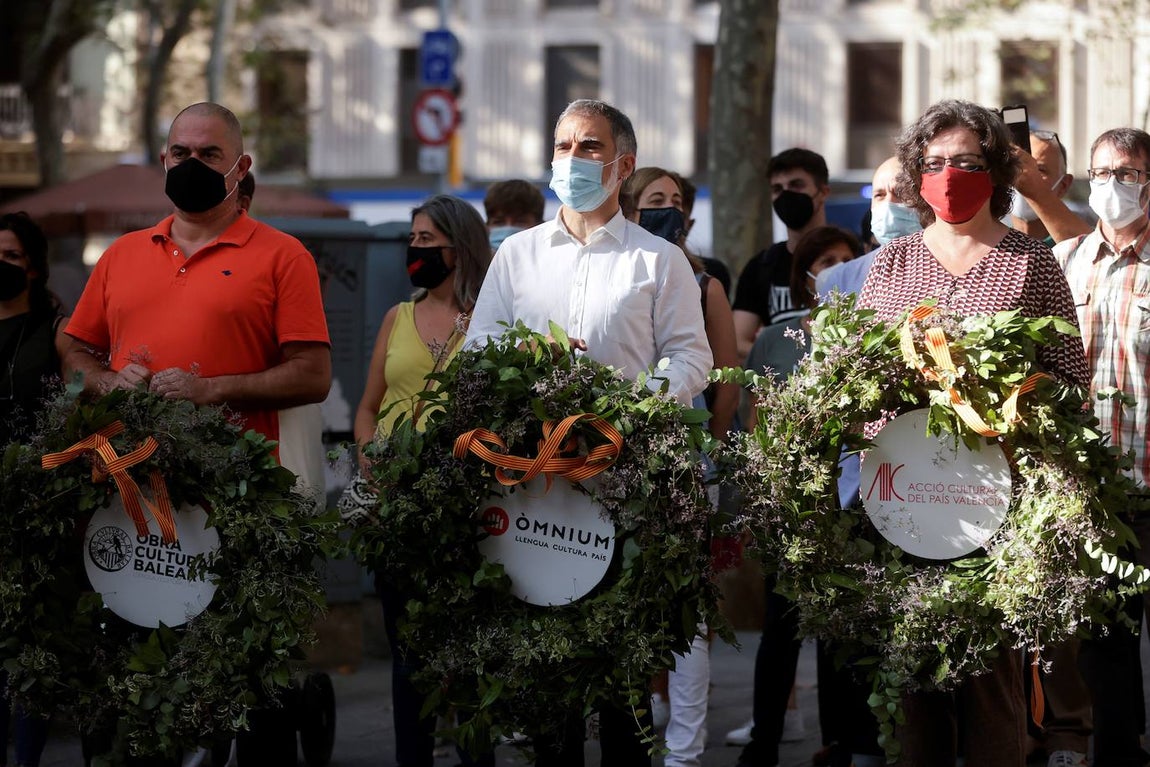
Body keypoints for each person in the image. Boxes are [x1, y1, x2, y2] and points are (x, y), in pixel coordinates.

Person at [466, 98, 712, 766]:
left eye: (590, 147)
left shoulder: (659, 261)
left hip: (627, 484)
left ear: (623, 165)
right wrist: (527, 366)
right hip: (538, 489)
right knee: (550, 679)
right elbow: (476, 352)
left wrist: (625, 403)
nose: (571, 159)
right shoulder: (516, 256)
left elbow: (694, 359)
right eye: (563, 145)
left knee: (622, 677)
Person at [858, 98, 1088, 767]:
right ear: (916, 172)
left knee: (993, 689)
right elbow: (859, 379)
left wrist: (1012, 400)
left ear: (994, 169)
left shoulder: (1031, 262)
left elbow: (1070, 378)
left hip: (1001, 504)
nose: (949, 174)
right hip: (904, 500)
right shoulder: (893, 263)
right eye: (933, 163)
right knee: (915, 690)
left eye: (965, 161)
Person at [60, 102, 331, 447]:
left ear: (240, 168)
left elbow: (314, 376)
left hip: (238, 480)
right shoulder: (119, 254)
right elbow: (74, 358)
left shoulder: (286, 256)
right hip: (126, 477)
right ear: (165, 162)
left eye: (209, 154)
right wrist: (106, 383)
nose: (191, 164)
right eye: (180, 153)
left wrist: (209, 389)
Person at [353, 194, 494, 767]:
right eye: (411, 241)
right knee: (409, 656)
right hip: (398, 511)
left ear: (459, 248)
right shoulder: (398, 317)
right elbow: (367, 407)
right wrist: (368, 456)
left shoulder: (491, 320)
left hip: (468, 512)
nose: (415, 251)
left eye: (426, 241)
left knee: (469, 654)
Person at [620, 166, 740, 767]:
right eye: (653, 199)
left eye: (675, 201)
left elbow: (725, 381)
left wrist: (709, 455)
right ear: (630, 208)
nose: (667, 208)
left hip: (685, 466)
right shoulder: (617, 272)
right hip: (613, 461)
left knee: (687, 611)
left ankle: (685, 749)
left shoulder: (704, 281)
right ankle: (639, 726)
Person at [734, 225, 862, 767]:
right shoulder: (772, 342)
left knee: (839, 636)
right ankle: (764, 741)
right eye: (825, 261)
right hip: (791, 509)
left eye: (845, 259)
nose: (836, 269)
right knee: (781, 630)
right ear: (806, 279)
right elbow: (756, 426)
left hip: (852, 506)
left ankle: (839, 741)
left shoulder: (870, 339)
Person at [1054, 126, 1150, 767]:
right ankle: (1120, 756)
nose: (1111, 186)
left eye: (1127, 173)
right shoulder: (1065, 263)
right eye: (1101, 173)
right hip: (1095, 493)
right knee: (1104, 643)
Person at [0, 211, 60, 767]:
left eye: (12, 256)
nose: (2, 266)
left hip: (37, 508)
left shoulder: (56, 331)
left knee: (31, 644)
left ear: (34, 268)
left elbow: (82, 397)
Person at [731, 148, 831, 358]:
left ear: (823, 192)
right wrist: (785, 362)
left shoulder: (851, 258)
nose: (786, 194)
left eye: (796, 185)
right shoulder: (761, 267)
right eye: (777, 189)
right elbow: (738, 340)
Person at [816, 156, 922, 301]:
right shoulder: (842, 280)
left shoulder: (949, 270)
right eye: (879, 195)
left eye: (901, 193)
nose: (889, 204)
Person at [1011, 130, 1091, 246]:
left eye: (1040, 170)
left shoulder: (1082, 244)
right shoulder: (988, 242)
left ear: (1063, 185)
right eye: (1016, 166)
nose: (1024, 175)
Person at [483, 178, 545, 252]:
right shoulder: (471, 262)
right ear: (487, 227)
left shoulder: (552, 261)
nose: (508, 228)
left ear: (540, 225)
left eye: (520, 222)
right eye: (499, 222)